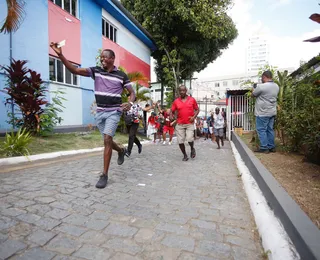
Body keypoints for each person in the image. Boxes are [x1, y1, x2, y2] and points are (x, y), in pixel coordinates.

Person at [50, 43, 135, 189]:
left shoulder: (121, 76)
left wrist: (130, 102)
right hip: (100, 112)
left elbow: (132, 93)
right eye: (101, 57)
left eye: (105, 57)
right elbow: (74, 70)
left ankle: (104, 175)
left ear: (112, 59)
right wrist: (60, 55)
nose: (102, 59)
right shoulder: (95, 71)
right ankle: (121, 150)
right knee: (107, 140)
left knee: (107, 139)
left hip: (114, 111)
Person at [252, 70, 279, 153]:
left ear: (264, 77)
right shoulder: (276, 86)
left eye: (262, 78)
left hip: (262, 113)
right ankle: (271, 147)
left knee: (261, 129)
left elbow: (253, 95)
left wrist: (253, 89)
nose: (262, 80)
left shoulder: (261, 87)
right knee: (270, 129)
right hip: (272, 112)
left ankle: (264, 147)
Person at [170, 85, 199, 161]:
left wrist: (194, 117)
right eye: (180, 91)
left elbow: (197, 109)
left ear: (186, 91)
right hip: (180, 124)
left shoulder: (192, 100)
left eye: (183, 90)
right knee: (180, 141)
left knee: (189, 139)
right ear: (179, 92)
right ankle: (185, 155)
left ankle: (192, 148)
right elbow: (171, 110)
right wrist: (171, 116)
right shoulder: (176, 101)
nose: (182, 92)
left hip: (189, 123)